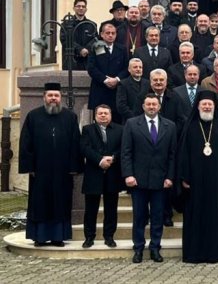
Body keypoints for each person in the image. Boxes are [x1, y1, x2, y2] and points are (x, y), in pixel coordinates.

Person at [19, 82, 81, 247]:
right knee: (40, 203)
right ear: (44, 97)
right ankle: (39, 237)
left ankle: (58, 237)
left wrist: (74, 167)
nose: (53, 98)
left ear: (60, 97)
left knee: (60, 203)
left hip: (63, 171)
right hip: (40, 170)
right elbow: (26, 143)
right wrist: (29, 167)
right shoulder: (33, 116)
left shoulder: (70, 117)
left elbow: (76, 143)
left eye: (56, 95)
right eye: (50, 95)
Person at [121, 94, 176, 263]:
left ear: (159, 107)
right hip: (138, 180)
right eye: (148, 104)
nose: (152, 107)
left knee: (158, 217)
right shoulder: (131, 124)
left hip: (160, 180)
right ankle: (138, 248)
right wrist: (128, 175)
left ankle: (155, 248)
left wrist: (170, 177)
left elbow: (173, 155)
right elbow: (126, 152)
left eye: (154, 104)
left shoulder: (170, 126)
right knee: (139, 217)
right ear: (143, 106)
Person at [179, 90, 218, 263]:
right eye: (204, 104)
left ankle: (214, 254)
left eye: (210, 104)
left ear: (214, 107)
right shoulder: (190, 126)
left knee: (214, 218)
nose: (207, 106)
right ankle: (193, 254)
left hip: (215, 183)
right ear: (198, 106)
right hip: (194, 182)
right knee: (194, 217)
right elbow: (183, 154)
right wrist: (184, 176)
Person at [80, 105, 124, 248]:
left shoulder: (119, 129)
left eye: (106, 113)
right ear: (95, 115)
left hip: (112, 174)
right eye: (100, 113)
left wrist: (113, 158)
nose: (103, 115)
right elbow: (85, 148)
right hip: (94, 173)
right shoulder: (87, 130)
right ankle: (89, 237)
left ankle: (109, 236)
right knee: (91, 209)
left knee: (111, 209)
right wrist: (100, 160)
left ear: (110, 115)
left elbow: (123, 148)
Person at [87, 23, 129, 124]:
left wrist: (117, 79)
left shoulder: (122, 49)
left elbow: (126, 68)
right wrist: (105, 80)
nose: (110, 35)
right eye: (108, 33)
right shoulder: (96, 48)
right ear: (102, 34)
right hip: (100, 89)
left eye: (113, 33)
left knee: (116, 122)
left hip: (117, 90)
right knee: (99, 122)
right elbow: (91, 68)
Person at [60, 0, 97, 70]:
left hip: (87, 61)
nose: (81, 8)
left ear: (86, 9)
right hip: (71, 61)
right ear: (74, 8)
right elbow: (64, 40)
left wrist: (87, 49)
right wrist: (80, 49)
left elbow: (95, 39)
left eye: (83, 6)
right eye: (78, 6)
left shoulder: (91, 25)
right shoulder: (66, 24)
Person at [116, 58, 150, 123]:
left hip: (146, 120)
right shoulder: (123, 84)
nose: (138, 69)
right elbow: (121, 106)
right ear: (129, 69)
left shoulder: (147, 83)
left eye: (140, 67)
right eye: (135, 67)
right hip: (130, 120)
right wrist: (135, 117)